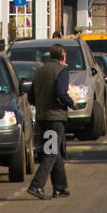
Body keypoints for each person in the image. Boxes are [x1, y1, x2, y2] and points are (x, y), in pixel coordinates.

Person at [26, 43, 74, 201]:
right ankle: (37, 185)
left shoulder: (40, 71)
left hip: (42, 117)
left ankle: (60, 187)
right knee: (51, 151)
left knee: (55, 151)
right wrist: (72, 103)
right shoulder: (62, 70)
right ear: (63, 56)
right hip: (55, 118)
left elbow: (31, 96)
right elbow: (61, 92)